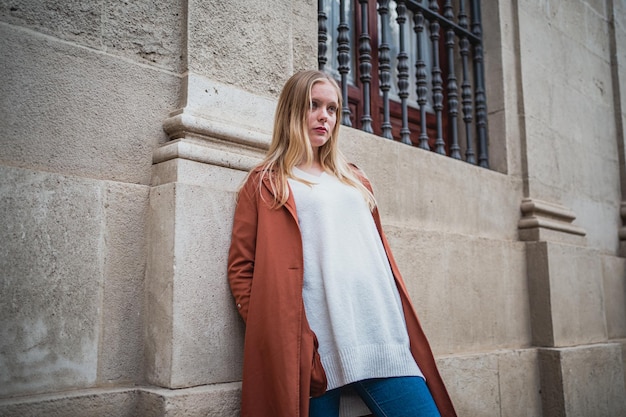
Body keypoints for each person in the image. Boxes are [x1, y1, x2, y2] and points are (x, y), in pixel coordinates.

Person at [227, 70, 457, 417]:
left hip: (380, 335)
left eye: (332, 109)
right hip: (313, 352)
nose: (325, 116)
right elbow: (241, 269)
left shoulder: (354, 177)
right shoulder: (266, 184)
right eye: (314, 106)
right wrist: (276, 331)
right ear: (292, 110)